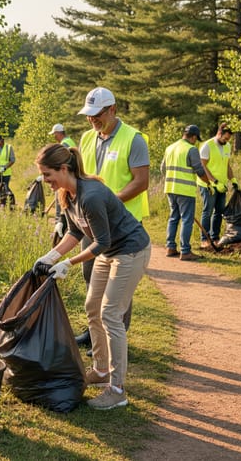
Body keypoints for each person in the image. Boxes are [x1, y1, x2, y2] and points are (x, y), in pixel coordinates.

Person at [33, 143, 151, 410]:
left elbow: (102, 243)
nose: (45, 181)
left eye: (47, 174)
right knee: (92, 308)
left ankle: (117, 390)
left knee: (111, 313)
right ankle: (100, 370)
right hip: (110, 252)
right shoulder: (67, 195)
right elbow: (75, 233)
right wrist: (50, 257)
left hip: (130, 251)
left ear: (64, 168)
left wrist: (68, 263)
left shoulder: (91, 195)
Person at [75, 87, 150, 347]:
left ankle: (116, 334)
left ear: (113, 110)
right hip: (93, 222)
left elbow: (141, 182)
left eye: (97, 114)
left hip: (123, 224)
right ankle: (93, 331)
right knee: (90, 276)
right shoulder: (86, 138)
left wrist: (109, 203)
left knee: (118, 286)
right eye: (89, 115)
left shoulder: (133, 139)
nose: (93, 119)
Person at [162, 124, 211, 261]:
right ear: (193, 137)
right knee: (186, 220)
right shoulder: (191, 149)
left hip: (170, 189)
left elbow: (162, 169)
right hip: (185, 191)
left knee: (173, 218)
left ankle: (170, 247)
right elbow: (200, 170)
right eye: (196, 139)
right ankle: (185, 251)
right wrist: (208, 183)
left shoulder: (170, 148)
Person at [196, 122, 237, 246]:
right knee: (207, 211)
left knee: (219, 211)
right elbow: (202, 166)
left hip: (222, 186)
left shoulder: (227, 146)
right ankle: (204, 238)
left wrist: (233, 180)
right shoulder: (207, 146)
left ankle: (214, 237)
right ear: (219, 133)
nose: (226, 141)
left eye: (228, 139)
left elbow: (227, 165)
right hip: (207, 184)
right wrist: (214, 181)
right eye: (225, 138)